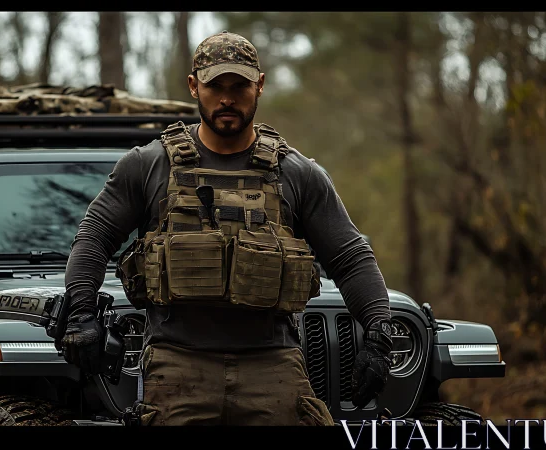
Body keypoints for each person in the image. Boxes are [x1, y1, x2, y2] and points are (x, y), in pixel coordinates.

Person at [61, 31, 392, 426]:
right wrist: (81, 311)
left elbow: (350, 257)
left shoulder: (297, 174)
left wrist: (378, 332)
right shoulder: (149, 165)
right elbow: (95, 235)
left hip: (272, 364)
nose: (227, 98)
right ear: (193, 86)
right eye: (215, 85)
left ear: (260, 86)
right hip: (178, 363)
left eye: (240, 86)